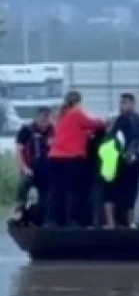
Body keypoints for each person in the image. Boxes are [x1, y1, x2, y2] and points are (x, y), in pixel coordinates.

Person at [45, 91, 107, 227]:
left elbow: (71, 132)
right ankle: (71, 220)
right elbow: (95, 124)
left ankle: (52, 220)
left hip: (54, 158)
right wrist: (105, 121)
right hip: (71, 158)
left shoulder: (60, 116)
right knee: (73, 191)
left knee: (56, 191)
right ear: (78, 101)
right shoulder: (76, 113)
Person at [101, 93, 139, 228]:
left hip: (120, 162)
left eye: (124, 103)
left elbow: (112, 139)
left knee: (111, 192)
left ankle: (112, 222)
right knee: (133, 192)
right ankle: (132, 221)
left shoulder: (122, 120)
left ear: (131, 103)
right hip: (138, 163)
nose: (122, 106)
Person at [11, 107, 54, 221]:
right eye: (42, 119)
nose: (44, 122)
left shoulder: (54, 131)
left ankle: (42, 218)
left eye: (47, 118)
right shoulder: (27, 130)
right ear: (37, 118)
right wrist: (24, 168)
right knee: (24, 183)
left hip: (47, 170)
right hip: (30, 168)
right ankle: (19, 209)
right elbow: (18, 151)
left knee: (47, 195)